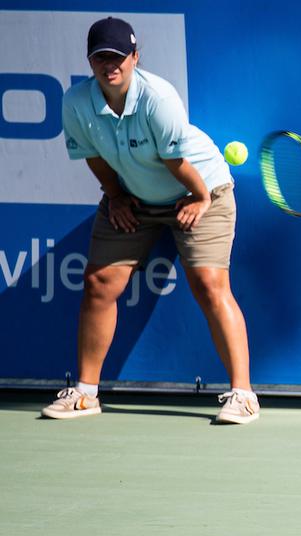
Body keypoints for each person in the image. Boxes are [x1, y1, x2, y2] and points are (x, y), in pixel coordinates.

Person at [43, 16, 259, 425]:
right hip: (135, 195)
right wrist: (117, 196)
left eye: (119, 57)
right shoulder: (75, 103)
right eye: (101, 58)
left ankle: (243, 395)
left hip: (199, 186)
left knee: (210, 285)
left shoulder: (158, 98)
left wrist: (199, 199)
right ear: (91, 62)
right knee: (98, 283)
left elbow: (175, 162)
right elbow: (93, 156)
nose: (111, 66)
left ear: (135, 56)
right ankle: (86, 394)